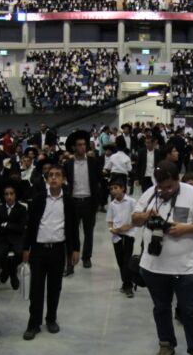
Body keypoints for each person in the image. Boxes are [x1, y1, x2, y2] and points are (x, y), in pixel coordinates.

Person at [132, 161, 193, 355]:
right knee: (161, 308)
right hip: (154, 266)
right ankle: (166, 343)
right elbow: (135, 219)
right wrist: (146, 215)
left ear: (178, 180)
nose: (166, 191)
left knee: (190, 310)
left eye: (170, 186)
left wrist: (185, 229)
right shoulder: (151, 193)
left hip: (185, 267)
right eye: (162, 187)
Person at [21, 164, 79, 340]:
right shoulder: (38, 200)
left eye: (57, 175)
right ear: (46, 179)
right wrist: (26, 248)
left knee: (55, 287)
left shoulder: (69, 202)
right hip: (38, 250)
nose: (53, 178)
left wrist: (74, 249)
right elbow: (30, 226)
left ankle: (51, 319)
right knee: (36, 288)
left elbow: (73, 228)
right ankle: (34, 323)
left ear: (63, 179)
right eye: (50, 175)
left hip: (57, 250)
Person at [64, 130, 103, 273]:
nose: (82, 147)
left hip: (89, 201)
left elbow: (100, 182)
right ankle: (71, 259)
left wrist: (99, 201)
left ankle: (87, 256)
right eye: (79, 145)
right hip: (73, 201)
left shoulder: (94, 162)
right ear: (74, 147)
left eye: (84, 145)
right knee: (71, 232)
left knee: (88, 231)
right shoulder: (68, 164)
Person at [105, 175, 138, 298]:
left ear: (123, 188)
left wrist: (125, 228)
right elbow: (109, 220)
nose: (113, 191)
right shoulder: (112, 204)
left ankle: (128, 286)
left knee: (126, 262)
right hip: (116, 237)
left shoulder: (131, 202)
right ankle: (126, 283)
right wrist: (111, 229)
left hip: (128, 235)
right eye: (111, 189)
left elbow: (135, 220)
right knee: (120, 261)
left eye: (116, 188)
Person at [0, 181, 27, 290]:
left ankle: (9, 272)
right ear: (3, 196)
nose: (9, 196)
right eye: (6, 194)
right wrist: (12, 226)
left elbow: (21, 228)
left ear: (15, 195)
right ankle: (11, 273)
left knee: (19, 254)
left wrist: (6, 225)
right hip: (2, 238)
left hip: (17, 238)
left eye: (11, 194)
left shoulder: (22, 208)